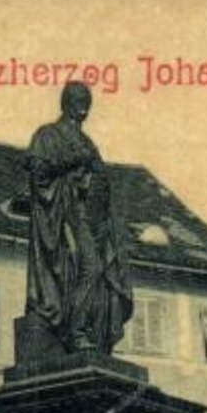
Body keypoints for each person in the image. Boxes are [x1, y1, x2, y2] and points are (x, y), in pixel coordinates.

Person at [25, 81, 132, 354]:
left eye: (87, 100)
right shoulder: (47, 135)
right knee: (92, 268)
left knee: (98, 272)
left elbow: (100, 177)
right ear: (65, 102)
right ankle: (76, 330)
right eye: (77, 99)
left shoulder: (88, 143)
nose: (84, 105)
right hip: (65, 215)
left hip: (94, 218)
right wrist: (72, 162)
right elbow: (38, 173)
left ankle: (88, 329)